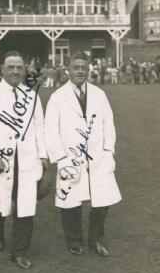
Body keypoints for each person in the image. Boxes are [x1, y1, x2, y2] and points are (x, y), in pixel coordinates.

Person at [0, 51, 48, 269]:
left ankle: (20, 252)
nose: (15, 71)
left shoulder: (31, 97)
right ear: (3, 69)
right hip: (0, 162)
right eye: (11, 67)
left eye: (19, 67)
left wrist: (42, 156)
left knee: (25, 206)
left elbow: (40, 128)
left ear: (25, 70)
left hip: (27, 161)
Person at [44, 51, 122, 257]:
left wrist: (108, 150)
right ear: (68, 69)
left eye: (83, 67)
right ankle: (74, 241)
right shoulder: (57, 97)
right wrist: (60, 158)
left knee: (103, 199)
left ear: (88, 70)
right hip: (70, 157)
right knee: (70, 200)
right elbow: (50, 129)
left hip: (98, 156)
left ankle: (95, 238)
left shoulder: (99, 94)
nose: (80, 71)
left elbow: (108, 124)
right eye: (76, 67)